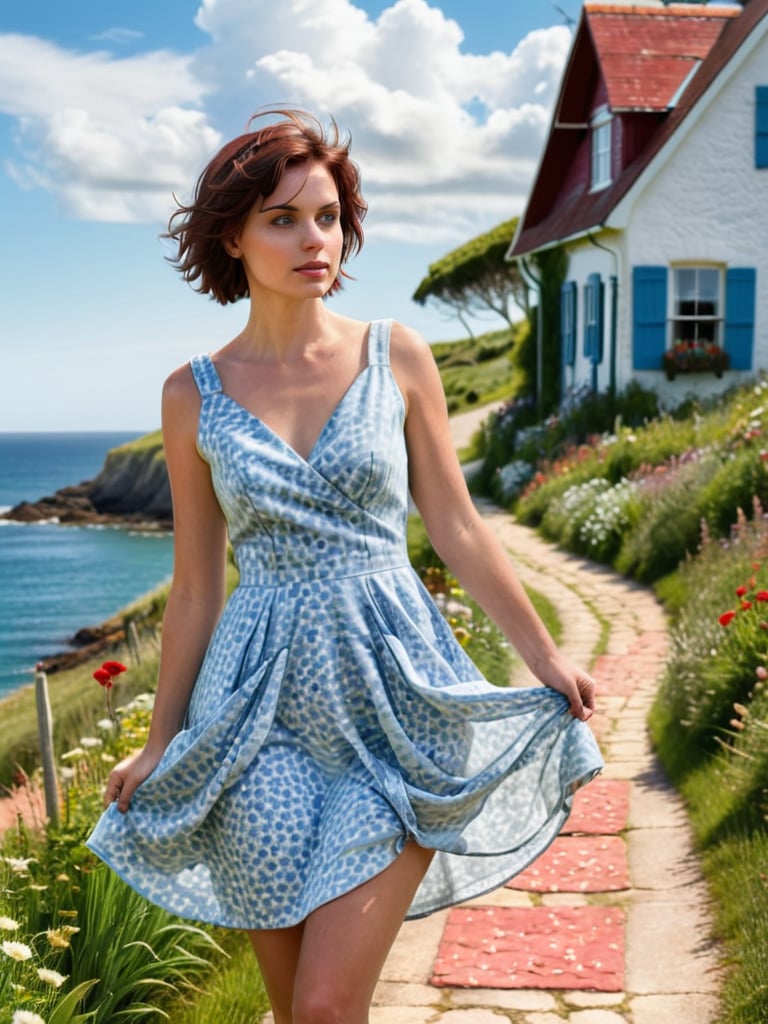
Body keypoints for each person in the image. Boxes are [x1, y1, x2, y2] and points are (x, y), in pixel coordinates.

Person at [87, 109, 602, 1024]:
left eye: (326, 215)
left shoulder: (394, 354)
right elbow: (199, 585)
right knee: (298, 1016)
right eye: (282, 219)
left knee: (329, 1005)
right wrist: (164, 739)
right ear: (233, 238)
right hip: (255, 719)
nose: (313, 239)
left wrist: (542, 657)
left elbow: (456, 526)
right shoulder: (190, 393)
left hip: (393, 699)